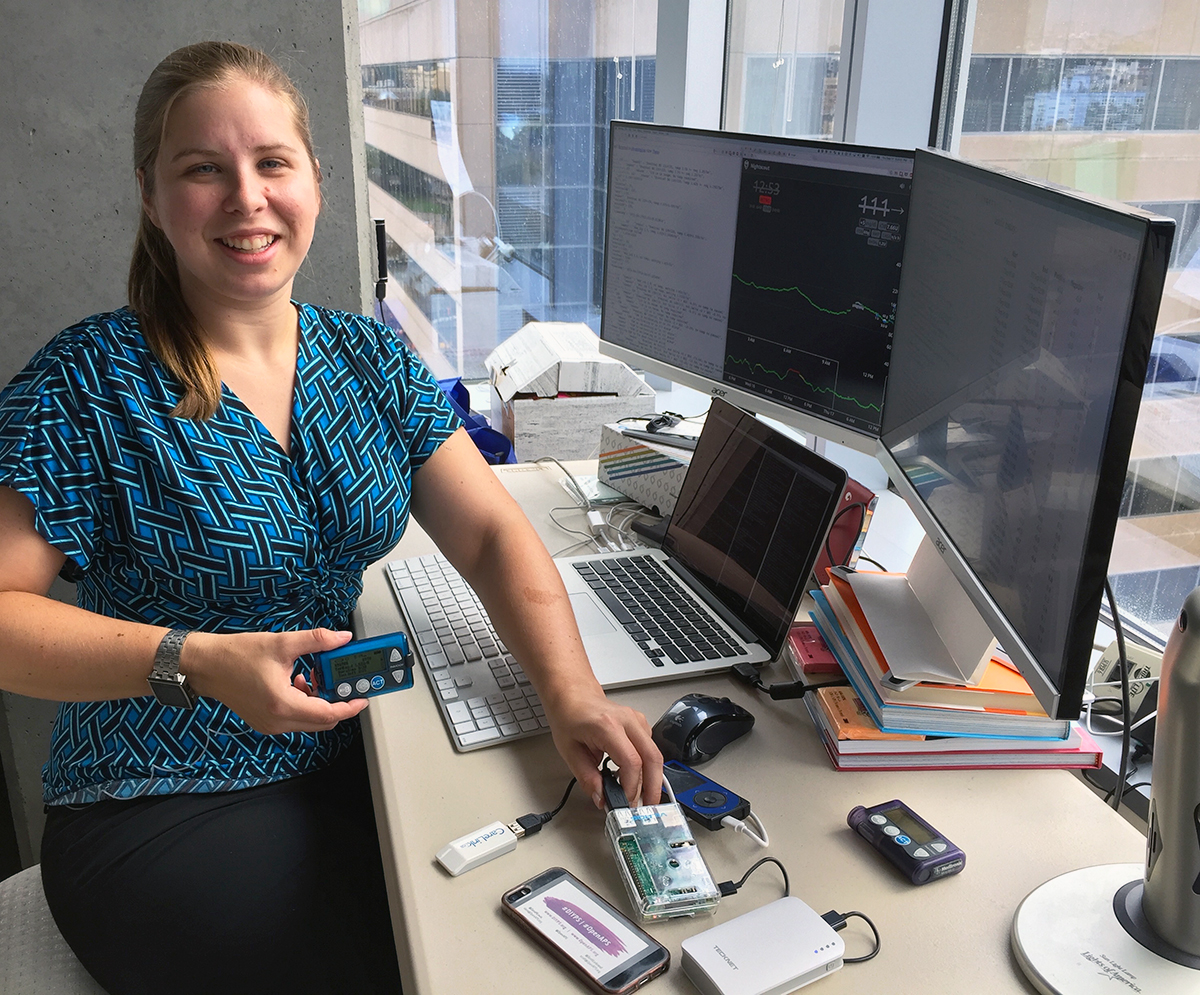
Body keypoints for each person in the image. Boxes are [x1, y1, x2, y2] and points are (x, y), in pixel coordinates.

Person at [0, 41, 662, 995]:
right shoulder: (87, 383)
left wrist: (571, 694)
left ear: (314, 177)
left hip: (353, 752)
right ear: (152, 194)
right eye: (203, 169)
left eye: (272, 162)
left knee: (528, 925)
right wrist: (197, 661)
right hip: (159, 797)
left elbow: (486, 531)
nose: (246, 197)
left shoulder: (368, 359)